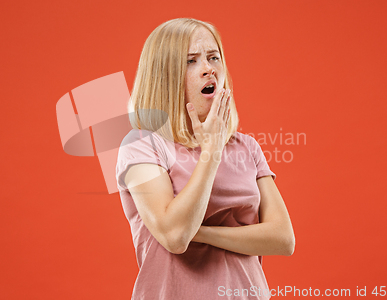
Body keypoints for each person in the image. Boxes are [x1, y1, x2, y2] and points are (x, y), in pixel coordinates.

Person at [115, 18, 295, 300]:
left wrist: (203, 233)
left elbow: (283, 238)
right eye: (191, 61)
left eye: (214, 57)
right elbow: (175, 237)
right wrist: (210, 152)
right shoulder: (141, 145)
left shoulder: (246, 147)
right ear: (164, 75)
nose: (209, 68)